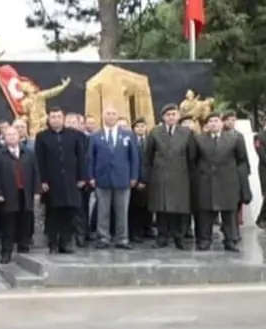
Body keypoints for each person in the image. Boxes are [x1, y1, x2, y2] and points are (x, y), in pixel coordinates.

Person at [192, 114, 251, 251]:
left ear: (221, 123)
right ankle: (205, 239)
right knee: (205, 213)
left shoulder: (234, 138)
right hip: (206, 181)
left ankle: (230, 240)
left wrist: (241, 178)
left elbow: (241, 160)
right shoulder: (199, 139)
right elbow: (193, 160)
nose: (213, 123)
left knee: (229, 213)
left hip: (228, 181)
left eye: (216, 121)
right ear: (206, 125)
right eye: (210, 121)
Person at [142, 104, 196, 250]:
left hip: (180, 176)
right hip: (160, 176)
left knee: (179, 209)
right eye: (168, 115)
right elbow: (148, 155)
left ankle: (179, 238)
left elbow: (192, 157)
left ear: (178, 116)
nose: (171, 117)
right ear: (163, 117)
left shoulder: (186, 133)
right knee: (162, 209)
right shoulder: (155, 132)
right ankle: (162, 237)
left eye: (174, 114)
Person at [34, 107, 88, 254]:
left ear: (63, 118)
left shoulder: (75, 135)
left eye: (58, 116)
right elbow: (39, 160)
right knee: (53, 214)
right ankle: (52, 243)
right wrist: (42, 180)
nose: (56, 119)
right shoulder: (42, 136)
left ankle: (65, 242)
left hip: (71, 181)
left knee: (69, 213)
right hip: (52, 182)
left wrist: (82, 177)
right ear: (48, 119)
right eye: (53, 117)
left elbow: (81, 157)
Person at [88, 106, 139, 250]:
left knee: (122, 210)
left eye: (113, 113)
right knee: (103, 210)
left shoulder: (128, 135)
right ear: (103, 116)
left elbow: (134, 158)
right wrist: (91, 176)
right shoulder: (95, 136)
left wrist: (134, 176)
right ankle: (103, 237)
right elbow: (91, 158)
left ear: (117, 116)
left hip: (123, 178)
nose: (110, 116)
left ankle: (122, 238)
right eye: (108, 114)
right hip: (102, 178)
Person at [0, 127, 39, 264]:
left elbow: (36, 173)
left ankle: (24, 247)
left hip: (25, 192)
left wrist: (36, 191)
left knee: (25, 221)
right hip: (7, 194)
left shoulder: (28, 153)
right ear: (4, 138)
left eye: (14, 134)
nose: (11, 137)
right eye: (8, 135)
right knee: (8, 225)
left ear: (19, 136)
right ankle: (6, 252)